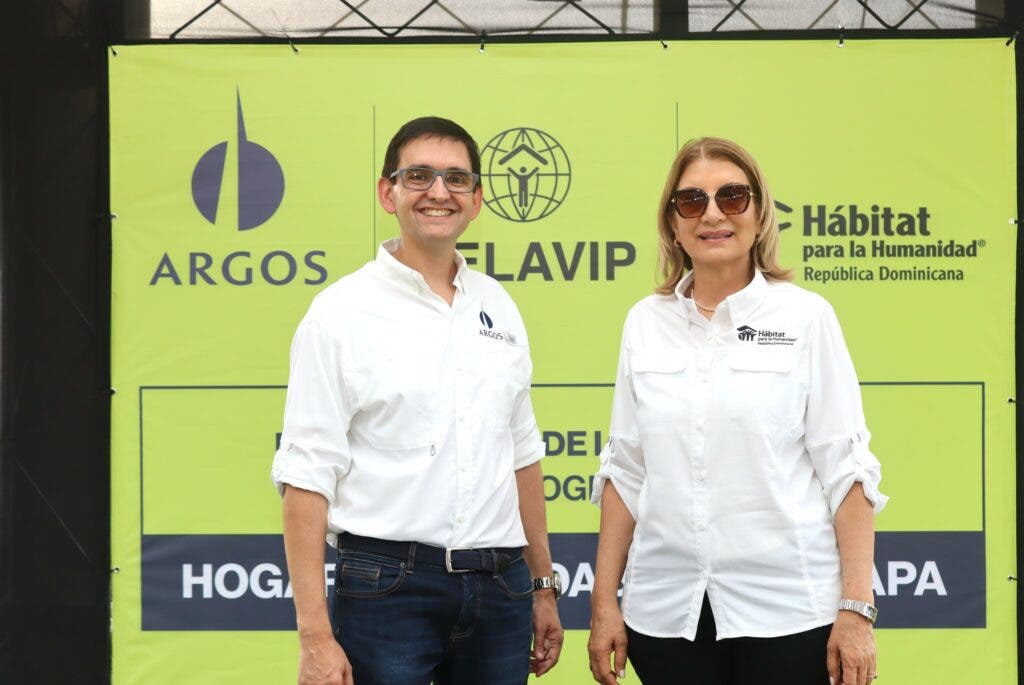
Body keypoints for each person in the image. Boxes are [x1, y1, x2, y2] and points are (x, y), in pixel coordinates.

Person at [271, 116, 563, 685]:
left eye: (456, 178)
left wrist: (542, 585)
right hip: (387, 589)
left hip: (501, 588)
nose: (438, 191)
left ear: (476, 200)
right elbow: (306, 476)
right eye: (419, 176)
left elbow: (521, 455)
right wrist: (314, 636)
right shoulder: (339, 314)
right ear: (388, 193)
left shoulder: (498, 305)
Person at [586, 137, 887, 685]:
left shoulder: (806, 318)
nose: (712, 214)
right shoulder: (644, 323)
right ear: (672, 222)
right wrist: (605, 603)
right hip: (665, 616)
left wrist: (856, 610)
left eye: (732, 196)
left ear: (759, 213)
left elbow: (847, 472)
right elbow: (626, 470)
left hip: (789, 613)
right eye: (691, 201)